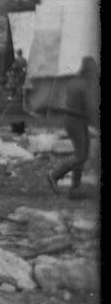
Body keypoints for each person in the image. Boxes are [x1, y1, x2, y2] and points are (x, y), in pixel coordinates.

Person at [47, 56, 99, 199]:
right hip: (76, 122)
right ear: (89, 71)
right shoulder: (83, 85)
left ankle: (75, 190)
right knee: (80, 156)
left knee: (82, 154)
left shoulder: (74, 82)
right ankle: (54, 175)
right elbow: (90, 107)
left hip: (72, 121)